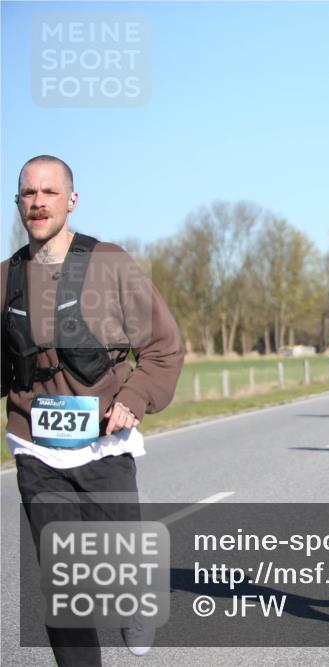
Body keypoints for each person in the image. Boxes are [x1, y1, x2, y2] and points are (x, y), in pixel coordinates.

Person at [2, 155, 185, 665]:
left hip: (104, 442)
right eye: (28, 194)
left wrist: (133, 398)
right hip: (36, 449)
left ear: (71, 200)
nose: (38, 203)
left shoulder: (109, 264)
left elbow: (164, 347)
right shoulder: (5, 278)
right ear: (18, 203)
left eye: (49, 193)